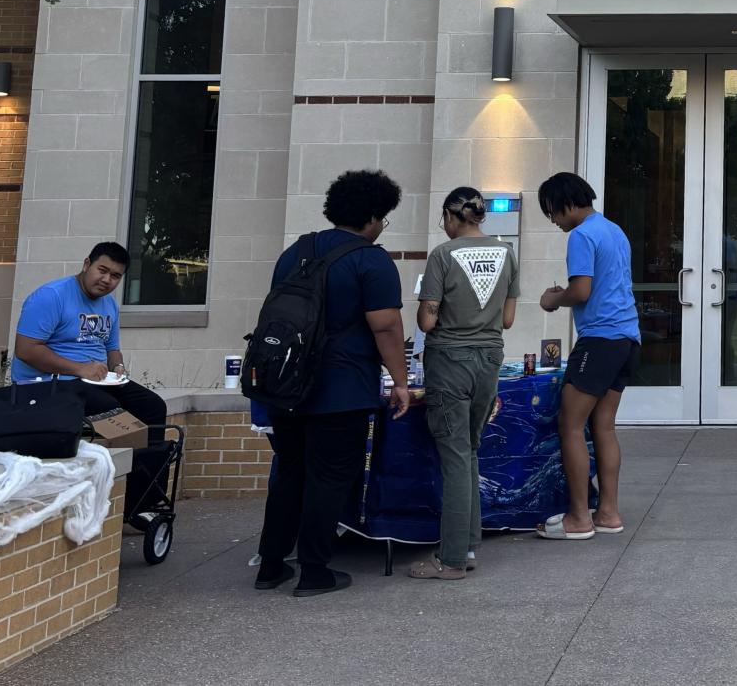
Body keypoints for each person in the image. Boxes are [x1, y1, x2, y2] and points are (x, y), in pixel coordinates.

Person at [255, 170, 410, 598]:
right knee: (330, 478)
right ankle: (315, 570)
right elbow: (385, 327)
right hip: (342, 388)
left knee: (290, 472)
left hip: (286, 385)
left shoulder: (295, 251)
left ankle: (271, 565)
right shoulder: (371, 259)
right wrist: (399, 381)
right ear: (374, 217)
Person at [408, 186, 519, 580]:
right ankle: (468, 544)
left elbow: (426, 322)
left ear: (451, 216)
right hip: (489, 358)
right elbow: (507, 320)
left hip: (450, 359)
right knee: (468, 451)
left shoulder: (442, 254)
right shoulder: (506, 252)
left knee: (454, 457)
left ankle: (451, 558)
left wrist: (427, 301)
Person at [13, 242, 171, 512]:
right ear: (86, 264)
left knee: (154, 407)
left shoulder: (108, 304)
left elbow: (112, 348)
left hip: (93, 381)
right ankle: (112, 503)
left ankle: (141, 501)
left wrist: (118, 367)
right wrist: (79, 368)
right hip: (46, 386)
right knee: (115, 417)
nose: (107, 280)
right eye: (103, 270)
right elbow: (26, 350)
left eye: (116, 276)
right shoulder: (51, 296)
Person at [535, 171, 638, 541]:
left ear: (566, 203)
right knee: (604, 426)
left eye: (552, 212)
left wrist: (552, 300)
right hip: (627, 338)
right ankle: (608, 512)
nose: (553, 221)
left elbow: (581, 291)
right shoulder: (613, 230)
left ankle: (579, 517)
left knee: (570, 425)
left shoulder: (581, 235)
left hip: (598, 340)